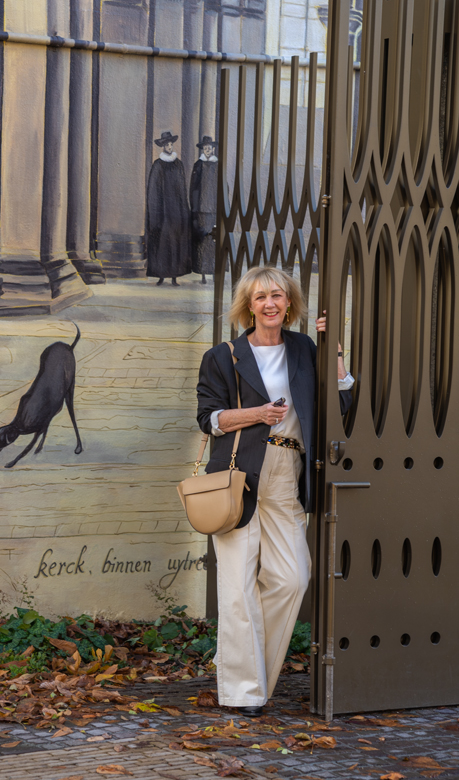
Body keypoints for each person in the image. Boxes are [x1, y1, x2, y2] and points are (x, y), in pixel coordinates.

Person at [196, 266, 354, 715]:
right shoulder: (223, 356)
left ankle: (239, 664)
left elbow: (341, 402)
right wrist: (257, 414)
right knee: (237, 587)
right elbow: (208, 418)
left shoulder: (304, 348)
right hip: (238, 474)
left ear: (289, 304)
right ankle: (244, 692)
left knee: (292, 578)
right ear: (249, 305)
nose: (270, 303)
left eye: (278, 295)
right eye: (261, 296)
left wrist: (335, 352)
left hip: (288, 470)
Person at [145, 131, 191, 286]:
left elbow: (182, 189)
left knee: (175, 242)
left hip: (176, 211)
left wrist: (184, 210)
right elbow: (153, 191)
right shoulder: (158, 165)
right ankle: (161, 275)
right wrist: (155, 212)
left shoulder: (178, 164)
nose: (170, 147)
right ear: (163, 146)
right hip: (163, 212)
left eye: (171, 144)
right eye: (167, 145)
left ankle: (174, 276)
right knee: (163, 243)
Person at [189, 135, 218, 283]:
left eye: (209, 148)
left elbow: (223, 186)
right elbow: (193, 188)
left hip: (214, 209)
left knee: (214, 240)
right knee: (202, 241)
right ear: (203, 150)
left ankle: (214, 271)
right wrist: (194, 207)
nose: (207, 150)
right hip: (201, 210)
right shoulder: (198, 165)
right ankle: (203, 273)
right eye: (205, 148)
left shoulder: (218, 165)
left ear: (213, 149)